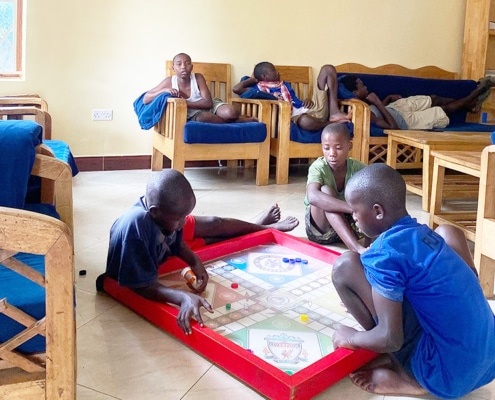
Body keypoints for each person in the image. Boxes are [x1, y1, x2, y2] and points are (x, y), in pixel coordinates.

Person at [331, 163, 495, 399]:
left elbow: (390, 337)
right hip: (488, 362)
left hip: (447, 376)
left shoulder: (384, 254)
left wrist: (351, 337)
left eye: (355, 211)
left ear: (378, 211)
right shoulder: (423, 235)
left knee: (344, 267)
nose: (353, 217)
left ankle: (410, 378)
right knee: (446, 235)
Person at [97, 169, 299, 335]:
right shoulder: (137, 226)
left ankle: (255, 227)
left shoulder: (166, 217)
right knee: (210, 233)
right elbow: (143, 287)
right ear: (154, 211)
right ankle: (258, 226)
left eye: (186, 216)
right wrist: (182, 297)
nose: (183, 222)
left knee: (211, 236)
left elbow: (175, 242)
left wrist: (194, 261)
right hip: (131, 275)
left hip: (159, 255)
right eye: (179, 218)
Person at [339, 74, 494, 130]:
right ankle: (476, 93)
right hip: (405, 121)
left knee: (433, 99)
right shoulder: (362, 113)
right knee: (442, 110)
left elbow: (381, 111)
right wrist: (379, 102)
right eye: (362, 86)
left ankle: (471, 104)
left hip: (395, 108)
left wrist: (387, 100)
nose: (365, 86)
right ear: (355, 93)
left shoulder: (365, 101)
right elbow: (393, 127)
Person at [304, 123, 370, 253]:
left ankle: (367, 245)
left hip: (349, 227)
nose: (332, 154)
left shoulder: (359, 168)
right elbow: (312, 196)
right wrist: (352, 208)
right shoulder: (318, 167)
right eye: (327, 148)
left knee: (366, 193)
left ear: (349, 146)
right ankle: (355, 247)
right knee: (325, 192)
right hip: (321, 230)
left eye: (338, 148)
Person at [233, 62, 351, 131]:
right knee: (305, 121)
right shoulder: (257, 89)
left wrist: (306, 100)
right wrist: (252, 79)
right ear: (264, 76)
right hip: (294, 117)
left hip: (310, 110)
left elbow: (296, 102)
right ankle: (334, 124)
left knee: (327, 69)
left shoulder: (285, 84)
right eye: (274, 71)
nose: (278, 72)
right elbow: (236, 89)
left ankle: (334, 113)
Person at [143, 53, 254, 123]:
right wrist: (164, 90)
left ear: (191, 67)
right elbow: (146, 99)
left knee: (231, 112)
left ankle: (233, 118)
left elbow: (208, 103)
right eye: (179, 64)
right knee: (203, 118)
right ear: (173, 68)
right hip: (194, 114)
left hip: (211, 106)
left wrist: (184, 103)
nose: (183, 67)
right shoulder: (169, 82)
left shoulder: (197, 77)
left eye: (187, 64)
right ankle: (237, 121)